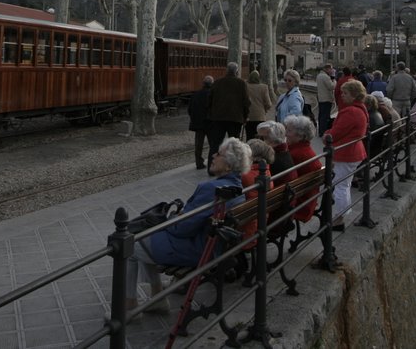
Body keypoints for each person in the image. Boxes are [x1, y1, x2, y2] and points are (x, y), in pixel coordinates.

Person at [125, 137, 250, 312]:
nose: (213, 155)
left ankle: (129, 305)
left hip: (197, 250)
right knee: (145, 236)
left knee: (129, 245)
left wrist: (172, 218)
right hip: (213, 248)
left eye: (218, 154)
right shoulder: (237, 188)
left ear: (228, 166)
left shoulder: (211, 189)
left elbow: (181, 229)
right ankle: (157, 297)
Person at [326, 79, 368, 230]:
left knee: (340, 186)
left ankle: (339, 219)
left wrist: (326, 135)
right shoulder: (359, 109)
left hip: (346, 153)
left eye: (345, 93)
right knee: (344, 184)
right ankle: (341, 215)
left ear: (354, 95)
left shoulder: (351, 112)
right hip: (353, 152)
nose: (341, 95)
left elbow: (335, 133)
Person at [206, 62, 250, 173]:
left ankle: (211, 168)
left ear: (227, 71)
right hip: (235, 119)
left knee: (215, 144)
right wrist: (245, 116)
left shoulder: (217, 82)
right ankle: (234, 168)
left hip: (218, 118)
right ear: (237, 71)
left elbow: (209, 100)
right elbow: (246, 102)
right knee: (234, 145)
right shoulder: (241, 83)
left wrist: (211, 114)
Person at [284, 115, 322, 222]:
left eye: (289, 130)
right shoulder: (305, 150)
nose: (285, 133)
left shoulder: (296, 155)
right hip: (307, 201)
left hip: (298, 205)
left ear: (300, 136)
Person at [256, 119, 295, 186]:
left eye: (262, 138)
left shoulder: (271, 159)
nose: (259, 141)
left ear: (273, 141)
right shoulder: (284, 152)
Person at [187, 75, 212, 170]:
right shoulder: (212, 94)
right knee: (213, 144)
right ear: (211, 84)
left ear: (203, 84)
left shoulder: (195, 94)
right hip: (210, 123)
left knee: (198, 145)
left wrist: (194, 118)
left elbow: (190, 109)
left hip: (198, 123)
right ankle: (212, 162)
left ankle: (199, 163)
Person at [244, 70, 275, 141]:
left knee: (249, 136)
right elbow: (269, 104)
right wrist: (265, 110)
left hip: (249, 116)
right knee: (260, 137)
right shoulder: (264, 87)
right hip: (260, 116)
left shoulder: (246, 86)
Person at [315, 64, 336, 136]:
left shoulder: (319, 75)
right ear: (327, 69)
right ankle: (324, 131)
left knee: (321, 115)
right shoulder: (325, 77)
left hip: (321, 98)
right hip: (326, 98)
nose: (332, 71)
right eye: (331, 69)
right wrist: (334, 80)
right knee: (325, 116)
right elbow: (331, 87)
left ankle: (321, 130)